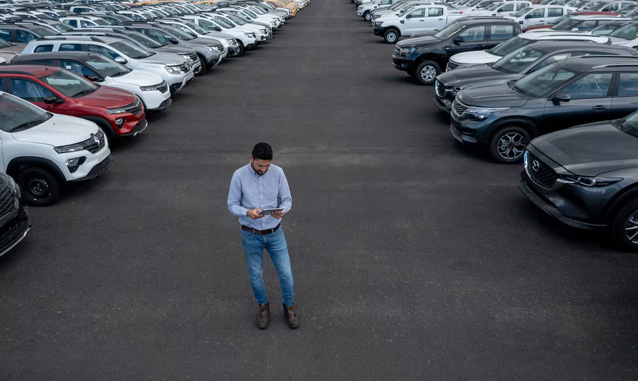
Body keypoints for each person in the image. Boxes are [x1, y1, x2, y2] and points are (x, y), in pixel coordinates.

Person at [227, 143, 299, 330]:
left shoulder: (278, 173)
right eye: (260, 165)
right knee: (256, 274)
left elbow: (287, 199)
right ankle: (263, 306)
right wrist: (247, 212)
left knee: (286, 273)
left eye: (267, 165)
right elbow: (232, 205)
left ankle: (288, 306)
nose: (264, 169)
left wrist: (281, 210)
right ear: (251, 158)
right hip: (250, 234)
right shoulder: (239, 175)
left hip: (275, 233)